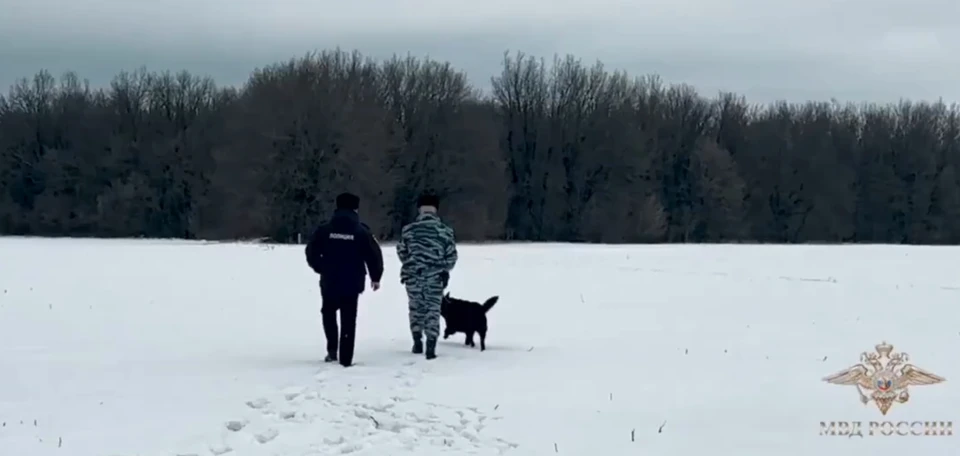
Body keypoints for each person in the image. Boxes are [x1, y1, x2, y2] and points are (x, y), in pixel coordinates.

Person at [305, 192, 384, 367]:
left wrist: (321, 267)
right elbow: (373, 255)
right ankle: (346, 358)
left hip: (330, 279)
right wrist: (375, 276)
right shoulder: (362, 231)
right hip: (352, 281)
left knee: (329, 313)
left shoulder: (325, 229)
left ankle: (332, 350)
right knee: (349, 318)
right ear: (356, 208)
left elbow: (311, 251)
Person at [396, 192, 458, 360]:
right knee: (433, 310)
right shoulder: (445, 232)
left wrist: (412, 263)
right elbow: (451, 258)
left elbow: (401, 252)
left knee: (415, 309)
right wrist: (441, 268)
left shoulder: (408, 230)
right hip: (435, 278)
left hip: (413, 276)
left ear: (419, 209)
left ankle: (417, 342)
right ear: (436, 209)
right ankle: (431, 345)